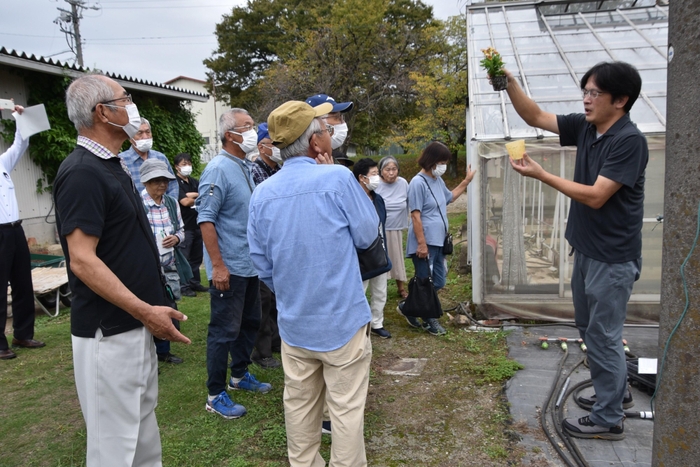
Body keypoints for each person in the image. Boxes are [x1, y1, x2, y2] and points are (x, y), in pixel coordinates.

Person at [503, 61, 647, 441]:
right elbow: (534, 114)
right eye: (584, 91)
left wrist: (542, 174)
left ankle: (609, 418)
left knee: (603, 335)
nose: (586, 99)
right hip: (587, 250)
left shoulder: (629, 141)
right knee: (591, 331)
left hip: (611, 258)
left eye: (594, 93)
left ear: (620, 100)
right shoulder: (588, 128)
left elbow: (598, 196)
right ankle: (612, 392)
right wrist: (508, 82)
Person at [54, 74, 190, 466]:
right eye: (124, 98)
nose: (131, 105)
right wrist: (144, 310)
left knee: (142, 436)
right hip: (109, 333)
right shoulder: (82, 172)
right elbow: (82, 259)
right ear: (103, 112)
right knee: (115, 447)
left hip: (132, 325)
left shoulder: (110, 165)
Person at [248, 100, 377, 467]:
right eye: (323, 129)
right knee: (346, 410)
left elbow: (262, 263)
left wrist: (293, 290)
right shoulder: (336, 179)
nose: (328, 134)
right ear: (315, 143)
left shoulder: (262, 193)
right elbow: (368, 235)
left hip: (295, 322)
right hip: (342, 319)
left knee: (299, 406)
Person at [197, 108, 272, 420]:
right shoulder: (217, 169)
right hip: (229, 268)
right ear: (231, 135)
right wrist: (217, 266)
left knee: (250, 323)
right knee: (223, 331)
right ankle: (215, 395)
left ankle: (239, 376)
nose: (253, 131)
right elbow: (206, 219)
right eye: (247, 126)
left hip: (249, 264)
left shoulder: (243, 165)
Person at [398, 142, 475, 336]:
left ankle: (407, 307)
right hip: (424, 243)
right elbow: (415, 216)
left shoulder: (437, 180)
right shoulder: (417, 183)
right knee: (424, 282)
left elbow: (449, 198)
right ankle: (430, 321)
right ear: (431, 161)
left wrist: (466, 182)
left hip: (440, 240)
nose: (444, 166)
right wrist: (422, 243)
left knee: (439, 281)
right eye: (441, 162)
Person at [0, 103, 45, 361]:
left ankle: (23, 334)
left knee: (22, 283)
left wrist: (20, 118)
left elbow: (20, 145)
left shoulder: (2, 164)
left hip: (15, 230)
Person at [139, 158, 187, 365]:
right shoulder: (137, 203)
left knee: (168, 304)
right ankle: (146, 354)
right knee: (146, 309)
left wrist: (176, 238)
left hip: (168, 264)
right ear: (145, 182)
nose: (162, 184)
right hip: (144, 266)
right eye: (156, 180)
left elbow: (182, 231)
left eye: (165, 180)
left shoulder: (171, 202)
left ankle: (163, 351)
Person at [249, 122, 282, 369]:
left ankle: (276, 340)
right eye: (273, 144)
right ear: (262, 147)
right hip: (261, 241)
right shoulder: (256, 171)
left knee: (276, 296)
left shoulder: (279, 170)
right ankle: (260, 351)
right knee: (263, 300)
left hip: (278, 241)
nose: (278, 148)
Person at [353, 158, 392, 339]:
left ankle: (377, 322)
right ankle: (358, 325)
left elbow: (382, 224)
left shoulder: (378, 199)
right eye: (375, 174)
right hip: (361, 254)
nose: (378, 178)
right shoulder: (353, 200)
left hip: (379, 250)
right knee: (360, 291)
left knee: (380, 290)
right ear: (362, 178)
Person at [375, 155, 410, 299]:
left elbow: (410, 202)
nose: (391, 173)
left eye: (394, 169)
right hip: (379, 229)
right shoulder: (376, 184)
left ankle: (401, 288)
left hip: (396, 228)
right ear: (381, 171)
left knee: (397, 258)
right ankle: (379, 290)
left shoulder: (403, 183)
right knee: (380, 259)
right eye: (387, 169)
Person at [119, 117, 178, 199]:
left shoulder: (160, 158)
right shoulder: (122, 160)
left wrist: (170, 204)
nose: (145, 137)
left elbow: (173, 184)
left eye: (148, 132)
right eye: (140, 133)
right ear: (130, 138)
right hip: (135, 210)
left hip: (162, 210)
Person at [174, 152, 207, 297]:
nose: (187, 167)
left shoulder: (194, 182)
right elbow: (184, 201)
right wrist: (195, 196)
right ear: (176, 167)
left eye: (188, 163)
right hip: (185, 225)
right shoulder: (174, 183)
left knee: (196, 256)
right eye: (183, 164)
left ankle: (195, 282)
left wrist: (193, 195)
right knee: (184, 257)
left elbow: (205, 194)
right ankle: (184, 285)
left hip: (197, 223)